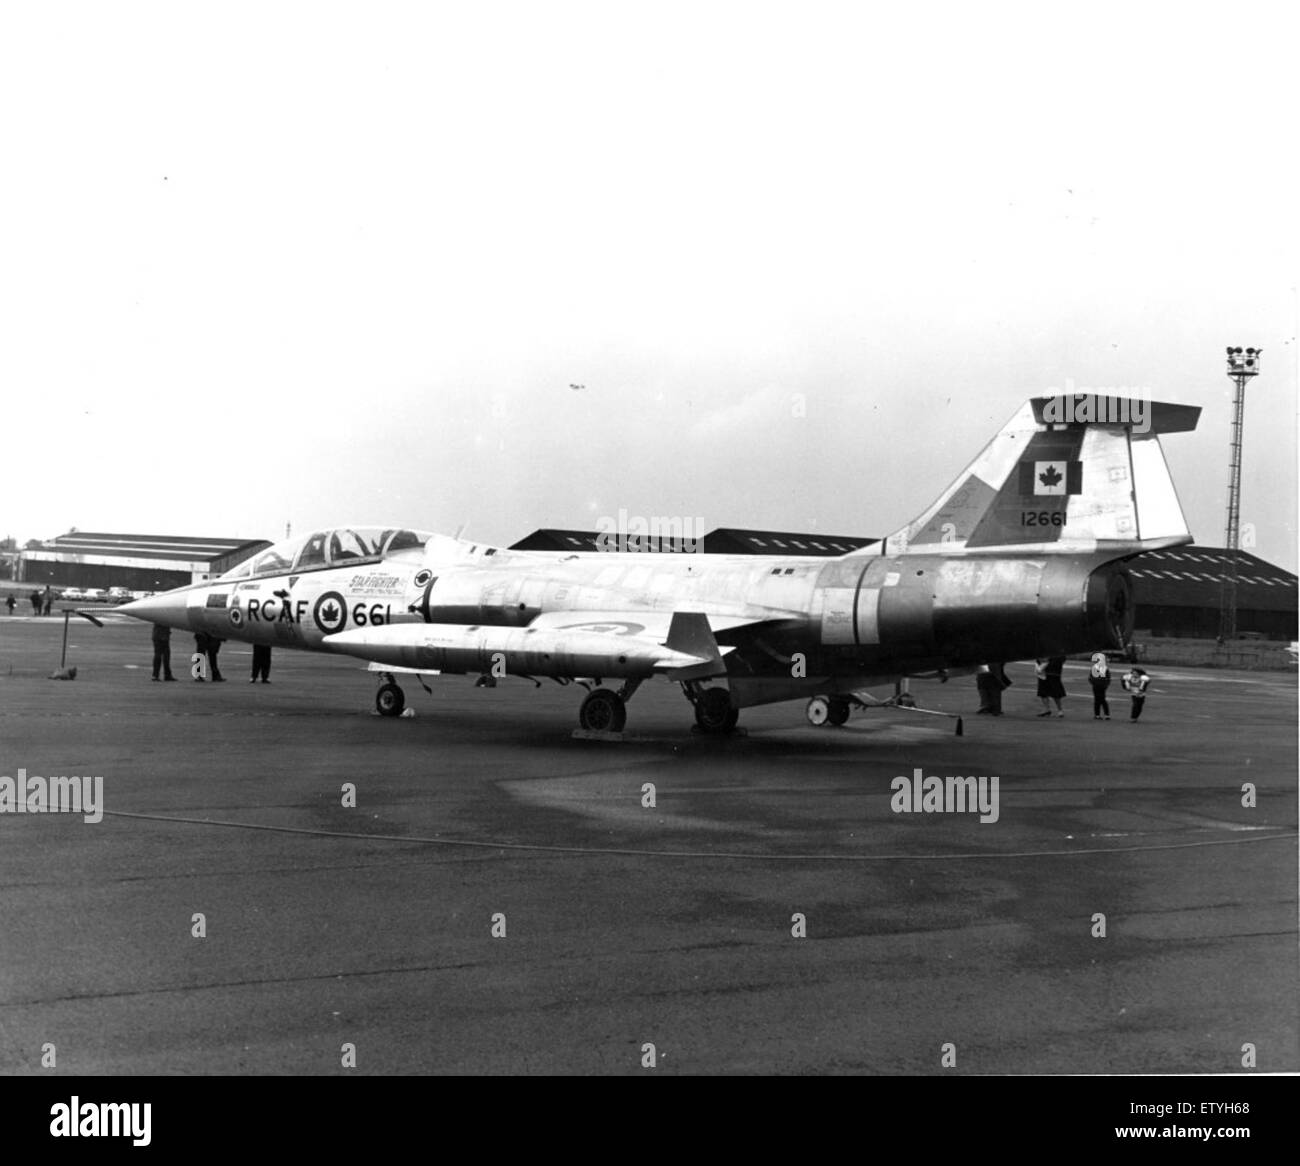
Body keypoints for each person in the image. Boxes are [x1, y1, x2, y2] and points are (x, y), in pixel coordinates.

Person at [1088, 652, 1111, 720]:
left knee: (1101, 700)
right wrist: (1093, 683)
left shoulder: (1104, 668)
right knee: (1099, 700)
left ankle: (1105, 714)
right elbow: (1091, 677)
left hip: (1101, 686)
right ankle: (1099, 714)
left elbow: (1107, 678)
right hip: (1097, 686)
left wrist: (1105, 685)